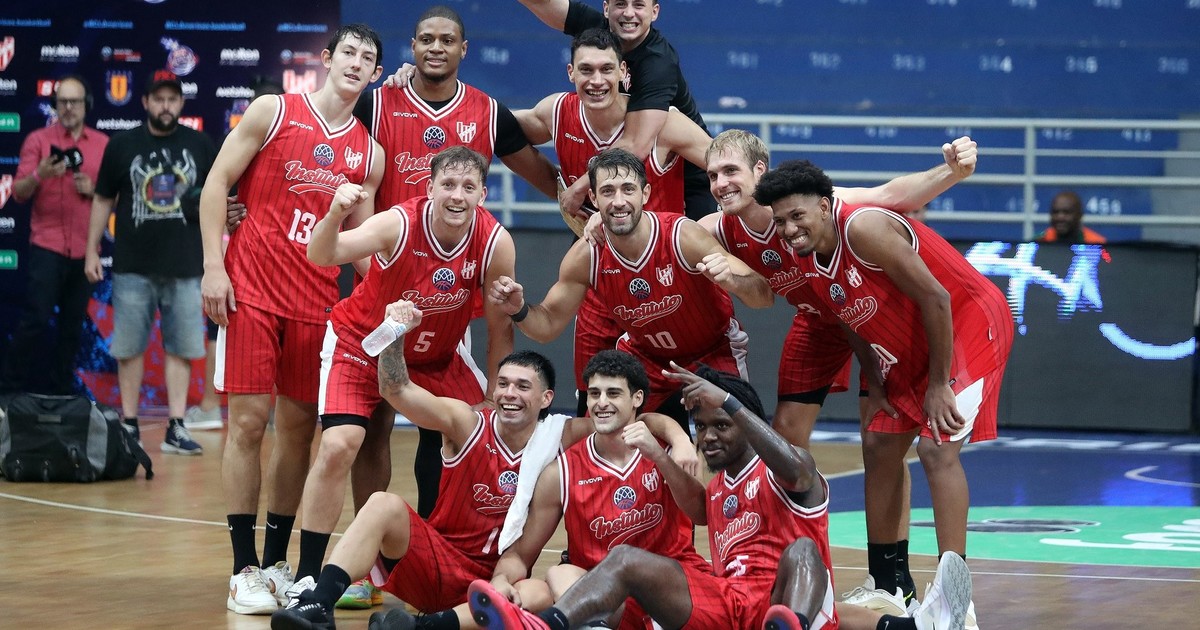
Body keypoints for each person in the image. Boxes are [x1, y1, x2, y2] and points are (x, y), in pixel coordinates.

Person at [269, 305, 695, 630]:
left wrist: (678, 439)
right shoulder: (467, 422)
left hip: (498, 577)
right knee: (383, 504)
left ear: (546, 399)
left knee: (545, 590)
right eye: (503, 384)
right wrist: (395, 334)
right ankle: (319, 603)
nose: (509, 393)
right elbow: (396, 390)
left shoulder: (561, 434)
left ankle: (428, 626)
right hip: (437, 562)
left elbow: (630, 418)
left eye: (523, 387)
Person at [466, 363, 975, 630]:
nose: (708, 437)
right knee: (623, 559)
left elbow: (798, 467)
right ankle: (546, 625)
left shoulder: (783, 468)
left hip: (789, 603)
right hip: (731, 607)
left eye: (720, 426)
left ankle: (799, 627)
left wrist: (729, 401)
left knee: (803, 552)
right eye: (701, 427)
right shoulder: (717, 489)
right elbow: (692, 505)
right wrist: (666, 447)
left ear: (744, 425)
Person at [703, 130, 979, 613]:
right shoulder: (718, 228)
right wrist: (599, 221)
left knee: (883, 439)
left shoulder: (815, 204)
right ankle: (782, 564)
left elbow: (893, 194)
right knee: (784, 438)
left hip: (867, 314)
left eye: (731, 171)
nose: (722, 183)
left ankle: (895, 579)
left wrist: (951, 173)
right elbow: (663, 233)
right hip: (819, 322)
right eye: (712, 175)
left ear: (760, 171)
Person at [754, 160, 1015, 630]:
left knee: (936, 447)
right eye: (780, 221)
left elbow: (937, 297)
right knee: (878, 443)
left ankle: (957, 601)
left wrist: (938, 385)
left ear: (825, 206)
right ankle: (889, 585)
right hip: (911, 342)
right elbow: (847, 318)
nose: (789, 229)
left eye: (797, 216)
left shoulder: (864, 229)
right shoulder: (805, 255)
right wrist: (875, 382)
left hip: (970, 322)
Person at [198, 23, 386, 615]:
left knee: (299, 433)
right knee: (248, 425)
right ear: (327, 58)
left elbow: (361, 242)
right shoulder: (273, 110)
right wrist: (213, 266)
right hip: (250, 290)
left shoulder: (370, 153)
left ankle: (277, 565)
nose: (355, 63)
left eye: (367, 58)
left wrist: (381, 301)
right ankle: (241, 569)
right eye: (348, 52)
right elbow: (216, 183)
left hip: (317, 303)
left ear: (375, 74)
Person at [356, 7, 561, 550]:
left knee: (443, 424)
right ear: (413, 46)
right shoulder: (377, 102)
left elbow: (543, 174)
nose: (436, 48)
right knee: (372, 424)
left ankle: (433, 544)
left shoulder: (488, 112)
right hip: (381, 280)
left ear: (463, 49)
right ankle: (371, 555)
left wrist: (589, 211)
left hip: (449, 290)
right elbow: (334, 166)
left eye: (447, 40)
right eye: (426, 39)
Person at [287, 147, 516, 592]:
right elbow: (322, 253)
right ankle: (308, 575)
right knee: (339, 444)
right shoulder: (398, 223)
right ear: (429, 188)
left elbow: (499, 327)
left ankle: (437, 562)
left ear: (483, 194)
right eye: (448, 185)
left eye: (468, 187)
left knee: (482, 437)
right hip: (363, 343)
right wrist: (335, 214)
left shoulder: (495, 242)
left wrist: (492, 395)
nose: (457, 195)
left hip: (438, 357)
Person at [490, 148, 773, 434]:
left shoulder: (682, 235)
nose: (619, 201)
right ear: (593, 198)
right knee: (605, 432)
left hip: (712, 350)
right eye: (608, 191)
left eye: (628, 189)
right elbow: (548, 324)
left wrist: (733, 281)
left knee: (736, 435)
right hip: (646, 356)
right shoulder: (587, 255)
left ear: (645, 193)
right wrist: (519, 310)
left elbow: (763, 295)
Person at [514, 27, 714, 417]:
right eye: (586, 69)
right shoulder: (557, 112)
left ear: (624, 72)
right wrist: (415, 87)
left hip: (665, 284)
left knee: (668, 409)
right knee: (594, 406)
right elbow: (491, 124)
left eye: (606, 69)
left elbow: (725, 165)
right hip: (602, 277)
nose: (596, 80)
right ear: (570, 72)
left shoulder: (662, 122)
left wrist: (715, 222)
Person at [82, 69, 216, 455]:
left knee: (181, 348)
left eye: (172, 99)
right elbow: (103, 199)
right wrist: (92, 250)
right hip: (132, 265)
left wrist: (216, 257)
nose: (165, 106)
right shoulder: (122, 145)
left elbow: (215, 199)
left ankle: (176, 426)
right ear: (145, 102)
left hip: (186, 265)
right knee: (129, 348)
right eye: (158, 99)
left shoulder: (200, 144)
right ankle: (129, 424)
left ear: (181, 103)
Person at [517, 0, 716, 221]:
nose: (628, 13)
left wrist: (580, 187)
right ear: (606, 8)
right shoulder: (598, 33)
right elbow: (543, 3)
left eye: (638, 5)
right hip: (625, 173)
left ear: (654, 12)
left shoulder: (658, 62)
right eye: (620, 4)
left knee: (693, 241)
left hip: (686, 174)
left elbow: (635, 145)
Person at [185, 77, 286, 432]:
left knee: (280, 338)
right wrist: (228, 213)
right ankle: (214, 406)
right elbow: (208, 192)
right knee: (223, 326)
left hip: (287, 260)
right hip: (241, 256)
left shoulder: (298, 145)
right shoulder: (239, 141)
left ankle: (275, 412)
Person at [1, 75, 107, 395]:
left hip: (85, 250)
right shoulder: (38, 140)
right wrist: (40, 174)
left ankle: (60, 396)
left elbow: (116, 198)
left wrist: (94, 191)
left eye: (75, 102)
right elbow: (18, 193)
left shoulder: (102, 144)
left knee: (72, 328)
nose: (69, 108)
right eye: (63, 102)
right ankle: (8, 393)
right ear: (54, 105)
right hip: (47, 246)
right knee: (35, 319)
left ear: (87, 105)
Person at [1036, 190, 1106, 244]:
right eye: (1055, 212)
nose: (1060, 217)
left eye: (1066, 212)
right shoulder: (1039, 242)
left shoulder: (1097, 244)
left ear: (1079, 215)